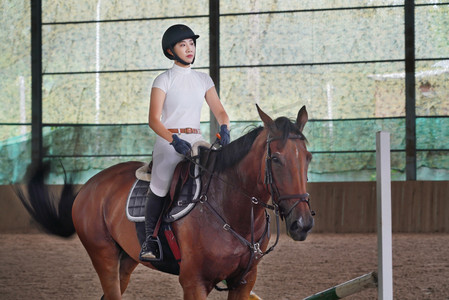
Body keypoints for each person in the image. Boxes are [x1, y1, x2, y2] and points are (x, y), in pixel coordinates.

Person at [139, 24, 230, 261]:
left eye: (192, 43)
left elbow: (220, 111)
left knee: (219, 175)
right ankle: (150, 240)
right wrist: (173, 140)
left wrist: (224, 128)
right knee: (162, 181)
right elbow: (153, 119)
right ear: (171, 51)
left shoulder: (203, 79)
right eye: (183, 45)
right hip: (169, 140)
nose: (189, 49)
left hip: (196, 138)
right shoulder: (163, 80)